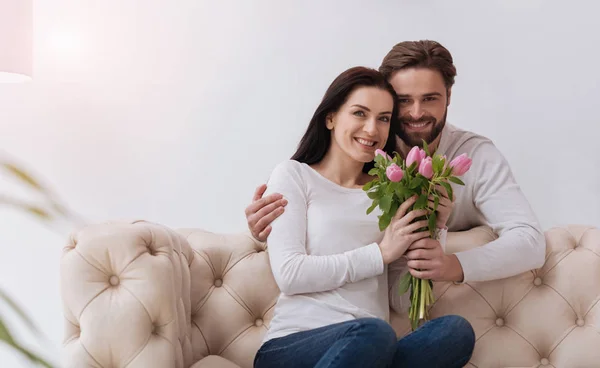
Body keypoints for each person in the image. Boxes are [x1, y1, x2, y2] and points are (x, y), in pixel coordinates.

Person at [246, 40, 546, 285]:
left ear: (449, 97)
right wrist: (272, 227)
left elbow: (530, 240)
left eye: (430, 99)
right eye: (403, 101)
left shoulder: (475, 154)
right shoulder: (365, 150)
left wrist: (452, 265)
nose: (416, 113)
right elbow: (322, 208)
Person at [252, 66, 475, 368]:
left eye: (383, 119)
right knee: (374, 334)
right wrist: (381, 253)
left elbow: (403, 302)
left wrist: (435, 228)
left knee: (454, 332)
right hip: (295, 346)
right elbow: (291, 274)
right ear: (330, 117)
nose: (372, 129)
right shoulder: (294, 175)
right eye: (360, 113)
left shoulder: (391, 192)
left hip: (368, 351)